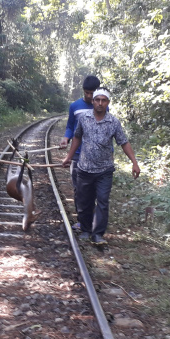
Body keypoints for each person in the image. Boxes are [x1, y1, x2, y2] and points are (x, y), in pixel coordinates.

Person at [61, 88, 141, 245]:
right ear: (93, 101)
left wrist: (134, 163)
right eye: (97, 100)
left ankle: (98, 234)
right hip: (84, 168)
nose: (100, 103)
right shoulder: (84, 118)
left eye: (103, 100)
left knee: (103, 202)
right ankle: (85, 230)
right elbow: (77, 138)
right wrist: (69, 157)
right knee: (85, 201)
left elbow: (123, 142)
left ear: (108, 103)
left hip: (104, 170)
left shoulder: (113, 122)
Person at [60, 75, 101, 229]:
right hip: (77, 155)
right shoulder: (75, 106)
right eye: (87, 93)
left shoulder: (102, 106)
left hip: (96, 157)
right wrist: (66, 138)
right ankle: (82, 221)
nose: (90, 97)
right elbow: (70, 126)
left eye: (93, 93)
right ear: (83, 91)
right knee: (79, 189)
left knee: (94, 190)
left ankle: (93, 220)